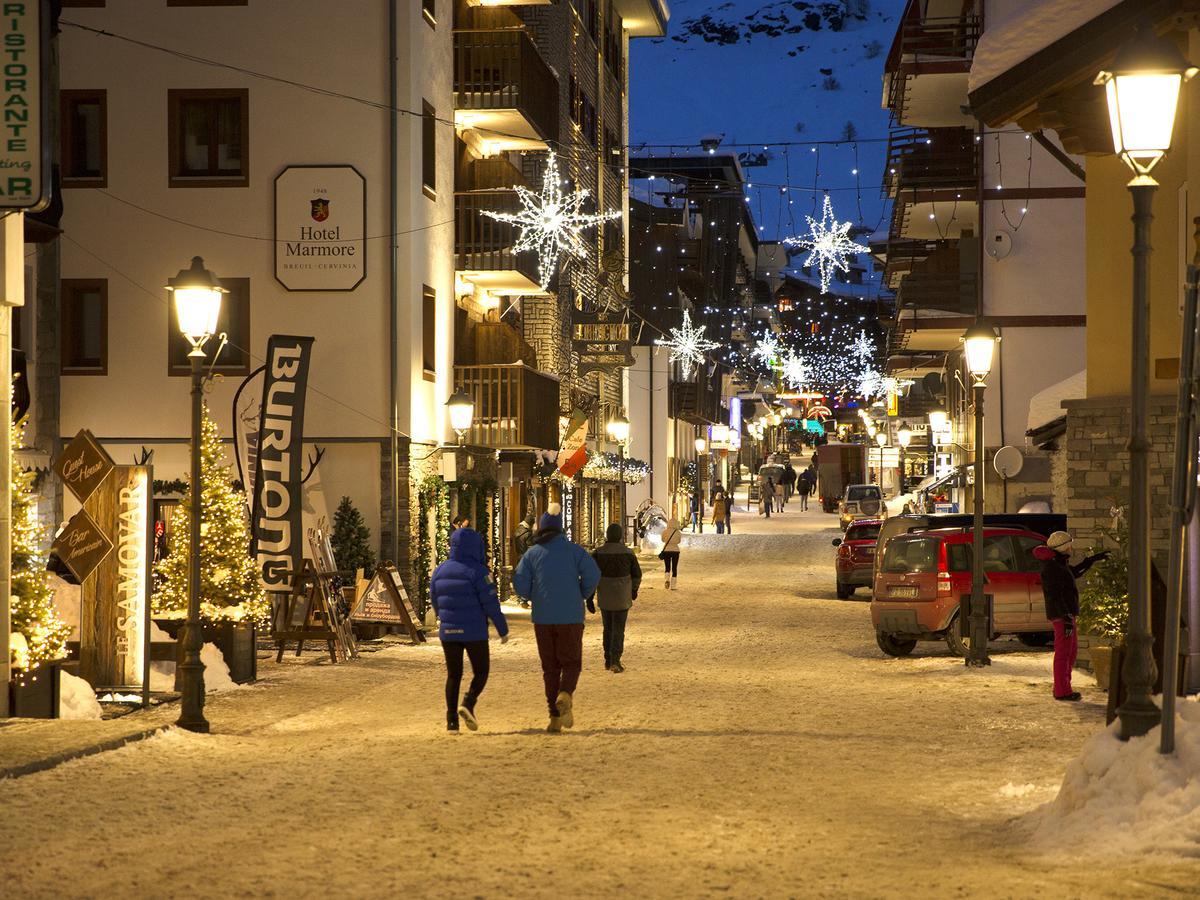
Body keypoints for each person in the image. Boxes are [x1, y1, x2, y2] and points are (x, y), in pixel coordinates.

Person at [511, 503, 601, 733]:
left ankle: (553, 716)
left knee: (549, 668)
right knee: (571, 662)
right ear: (561, 530)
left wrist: (534, 596)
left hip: (543, 618)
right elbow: (593, 574)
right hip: (570, 616)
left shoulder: (532, 554)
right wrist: (581, 593)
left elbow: (519, 582)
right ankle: (565, 693)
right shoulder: (574, 551)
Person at [430, 528, 509, 733]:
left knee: (453, 675)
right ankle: (468, 702)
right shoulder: (479, 572)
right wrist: (502, 629)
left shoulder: (440, 570)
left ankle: (451, 722)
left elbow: (435, 599)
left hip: (449, 632)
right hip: (474, 631)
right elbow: (490, 603)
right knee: (481, 671)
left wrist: (444, 618)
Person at [1034, 530, 1109, 702]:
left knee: (1071, 651)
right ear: (1063, 547)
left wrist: (1090, 561)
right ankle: (1061, 691)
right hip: (1062, 615)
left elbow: (1072, 573)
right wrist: (1066, 618)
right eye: (1069, 545)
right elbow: (1056, 594)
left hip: (1066, 614)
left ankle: (1064, 687)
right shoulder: (1052, 566)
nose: (1071, 548)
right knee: (1063, 653)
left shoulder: (1058, 563)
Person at [591, 522, 642, 673]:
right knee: (619, 629)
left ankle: (607, 659)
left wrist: (589, 597)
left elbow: (591, 576)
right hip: (622, 596)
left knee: (607, 628)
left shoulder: (598, 553)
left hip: (605, 597)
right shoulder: (628, 553)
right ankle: (616, 660)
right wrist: (633, 590)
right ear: (620, 536)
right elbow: (637, 574)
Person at [512, 514, 536, 608]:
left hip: (519, 556)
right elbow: (530, 547)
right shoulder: (528, 533)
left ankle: (519, 597)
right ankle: (523, 600)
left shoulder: (517, 531)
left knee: (520, 577)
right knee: (528, 578)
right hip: (526, 557)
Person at [659, 515, 682, 589]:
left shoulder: (665, 531)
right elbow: (679, 541)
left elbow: (662, 540)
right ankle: (673, 586)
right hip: (675, 551)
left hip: (666, 551)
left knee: (667, 567)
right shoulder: (678, 532)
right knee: (674, 568)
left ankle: (667, 579)